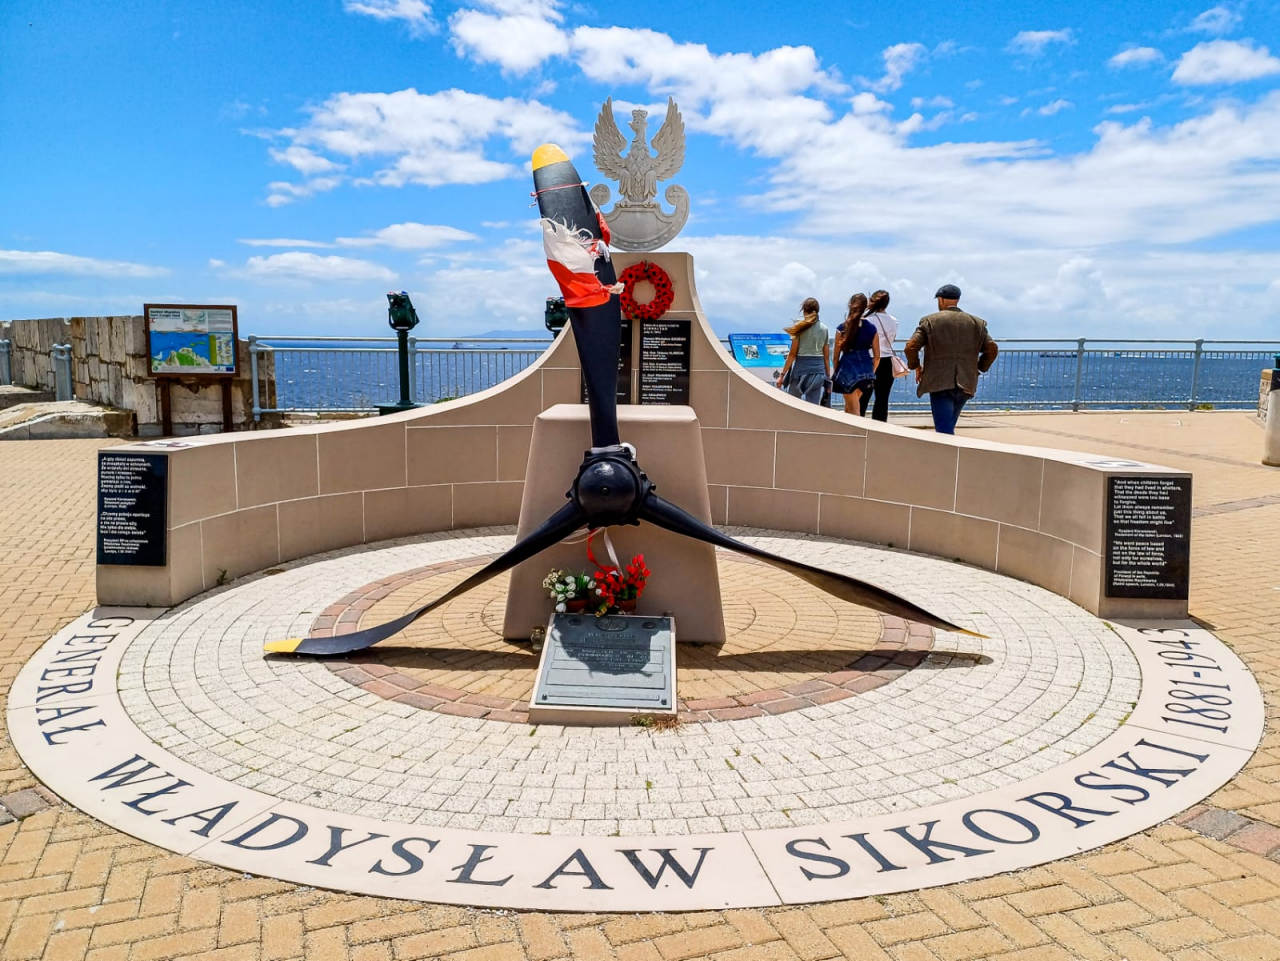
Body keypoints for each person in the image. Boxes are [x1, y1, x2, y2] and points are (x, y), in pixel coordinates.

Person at [903, 284, 999, 434]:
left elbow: (911, 346)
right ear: (958, 300)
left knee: (944, 430)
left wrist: (916, 366)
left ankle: (946, 456)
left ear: (940, 300)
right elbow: (992, 348)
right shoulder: (976, 323)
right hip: (966, 381)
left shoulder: (929, 321)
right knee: (948, 426)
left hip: (939, 381)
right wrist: (980, 367)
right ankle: (948, 454)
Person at [776, 297, 830, 405]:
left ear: (804, 311)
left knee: (793, 405)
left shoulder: (799, 328)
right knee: (814, 407)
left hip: (801, 370)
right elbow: (826, 356)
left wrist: (782, 375)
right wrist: (828, 376)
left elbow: (792, 354)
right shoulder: (824, 329)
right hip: (818, 371)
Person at [858, 289, 902, 422]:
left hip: (869, 360)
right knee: (882, 399)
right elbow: (892, 339)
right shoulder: (894, 321)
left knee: (863, 397)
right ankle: (880, 429)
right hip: (887, 362)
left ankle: (858, 425)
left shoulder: (866, 320)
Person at [832, 294, 879, 415]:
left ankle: (858, 432)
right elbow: (877, 356)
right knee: (850, 407)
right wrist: (871, 372)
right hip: (866, 370)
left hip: (848, 369)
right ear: (866, 307)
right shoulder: (872, 328)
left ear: (850, 306)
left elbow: (835, 356)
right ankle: (849, 433)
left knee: (853, 409)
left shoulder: (842, 328)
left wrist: (837, 372)